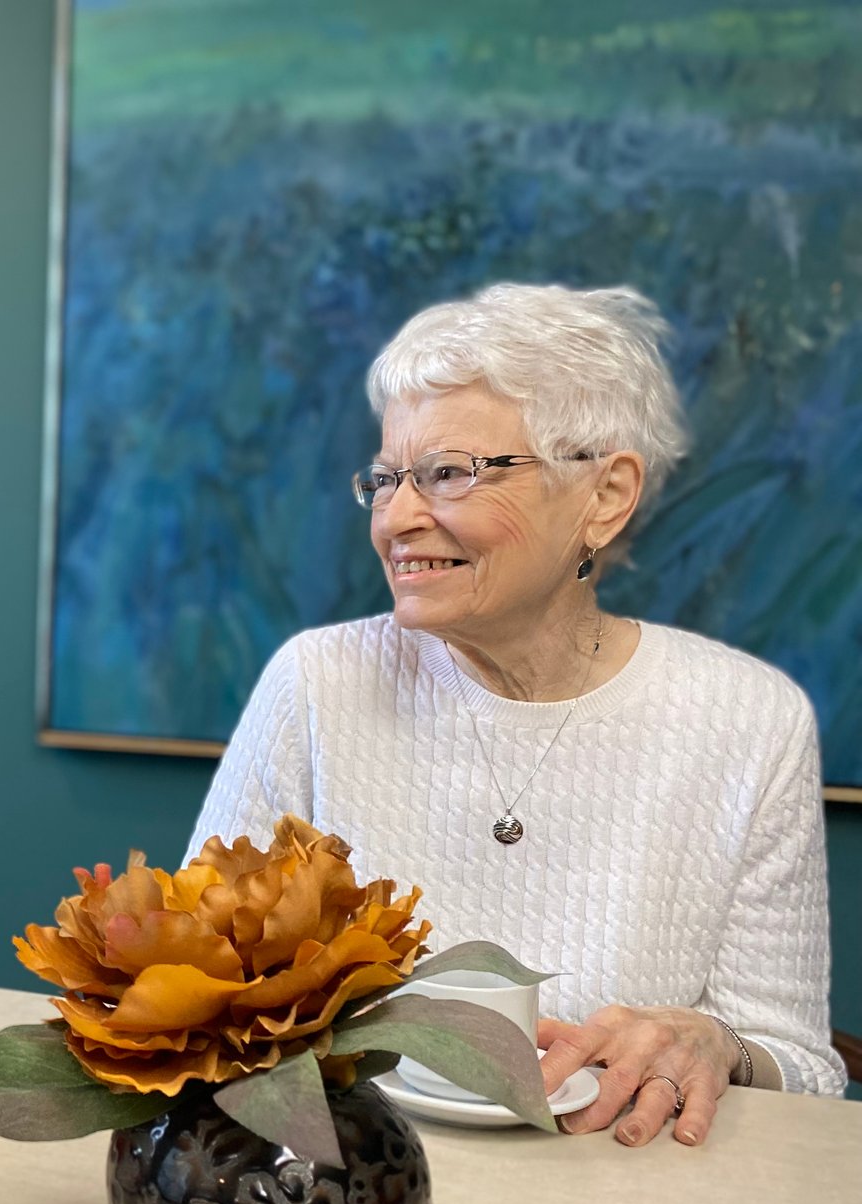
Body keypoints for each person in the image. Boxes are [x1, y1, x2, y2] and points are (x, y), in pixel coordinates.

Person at [188, 284, 845, 1149]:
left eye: (450, 473)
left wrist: (717, 1045)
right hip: (348, 1189)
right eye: (386, 479)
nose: (398, 518)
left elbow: (804, 1065)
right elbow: (187, 979)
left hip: (625, 1198)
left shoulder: (749, 720)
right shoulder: (318, 681)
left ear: (605, 497)